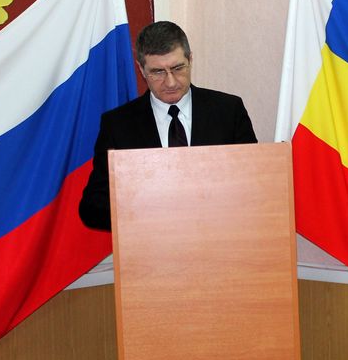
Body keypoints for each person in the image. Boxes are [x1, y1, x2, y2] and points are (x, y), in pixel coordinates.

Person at [78, 21, 257, 230]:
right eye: (158, 72)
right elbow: (92, 207)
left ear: (190, 60)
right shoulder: (118, 125)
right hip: (149, 243)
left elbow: (254, 184)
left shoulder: (228, 111)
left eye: (177, 68)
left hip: (222, 238)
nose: (170, 82)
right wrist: (148, 213)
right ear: (141, 70)